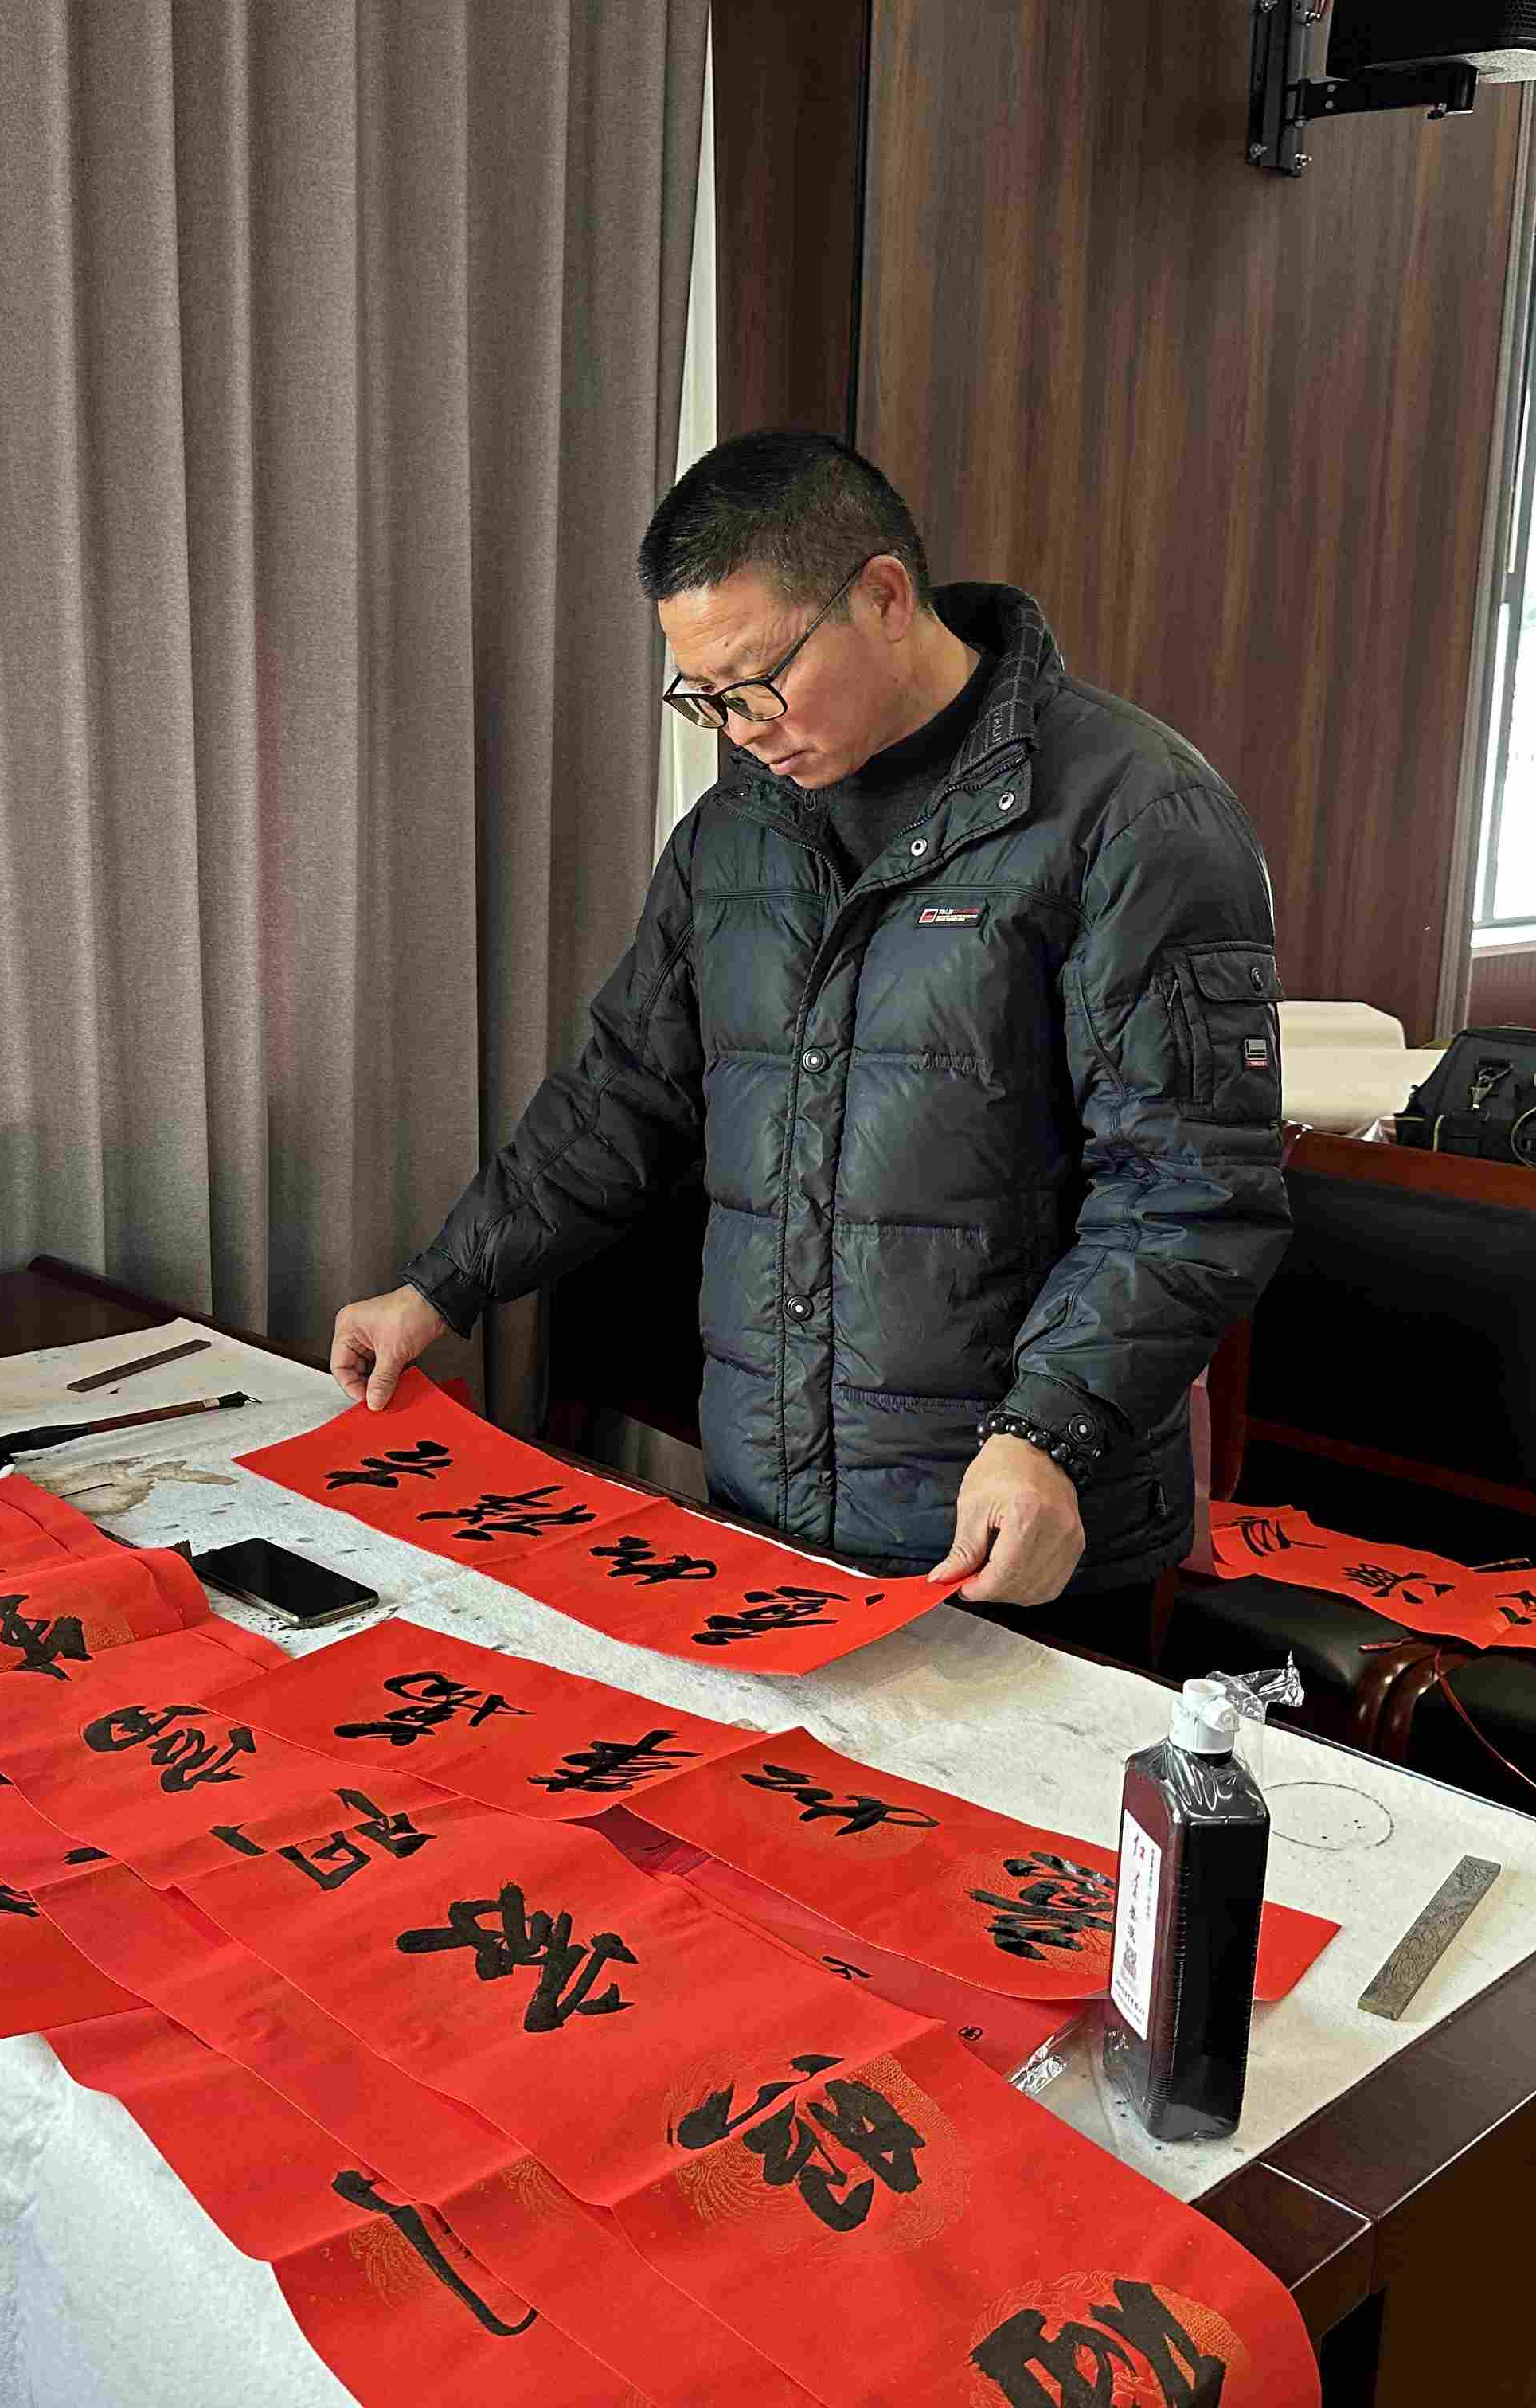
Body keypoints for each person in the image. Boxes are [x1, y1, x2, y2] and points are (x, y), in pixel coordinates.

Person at [328, 432, 1289, 1637]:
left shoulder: (1133, 816)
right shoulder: (737, 832)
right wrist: (442, 1284)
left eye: (756, 683)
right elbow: (622, 1094)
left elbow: (1186, 1188)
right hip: (765, 1509)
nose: (738, 730)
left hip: (1012, 1532)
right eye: (705, 698)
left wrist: (1047, 1428)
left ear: (883, 597)